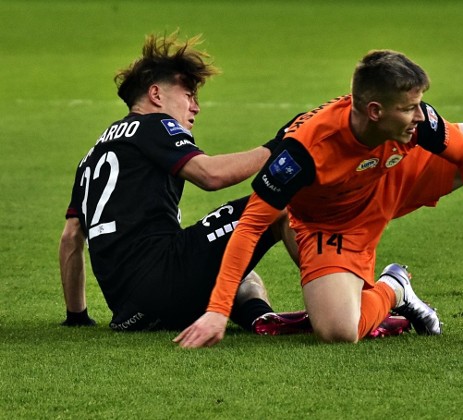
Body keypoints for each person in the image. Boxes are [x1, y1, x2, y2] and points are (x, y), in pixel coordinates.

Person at [174, 50, 463, 348]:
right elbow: (252, 225)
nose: (421, 115)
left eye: (420, 104)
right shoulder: (303, 152)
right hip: (336, 225)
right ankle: (395, 288)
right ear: (374, 112)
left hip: (397, 176)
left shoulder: (415, 123)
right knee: (339, 332)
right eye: (409, 108)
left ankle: (456, 143)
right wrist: (217, 311)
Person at [59, 31, 290, 332]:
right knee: (282, 203)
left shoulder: (92, 156)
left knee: (238, 267)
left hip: (130, 313)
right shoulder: (153, 125)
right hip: (164, 278)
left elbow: (70, 238)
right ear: (156, 95)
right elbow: (211, 175)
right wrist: (280, 146)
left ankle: (259, 319)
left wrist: (77, 316)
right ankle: (340, 304)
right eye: (189, 95)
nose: (196, 107)